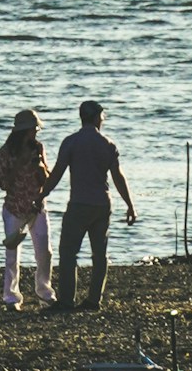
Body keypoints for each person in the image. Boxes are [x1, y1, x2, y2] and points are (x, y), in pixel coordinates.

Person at [43, 100, 135, 312]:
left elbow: (57, 173)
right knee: (99, 254)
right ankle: (94, 300)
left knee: (68, 253)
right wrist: (130, 205)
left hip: (79, 204)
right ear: (96, 118)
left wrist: (42, 194)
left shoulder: (71, 142)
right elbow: (118, 177)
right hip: (102, 204)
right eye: (102, 117)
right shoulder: (107, 144)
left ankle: (67, 300)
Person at [0, 112, 54, 311]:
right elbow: (4, 184)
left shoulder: (38, 148)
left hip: (37, 207)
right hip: (14, 207)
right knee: (12, 254)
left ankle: (45, 292)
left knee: (45, 252)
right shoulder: (5, 152)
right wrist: (19, 164)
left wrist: (41, 168)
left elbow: (47, 178)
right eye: (33, 130)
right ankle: (11, 297)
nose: (35, 133)